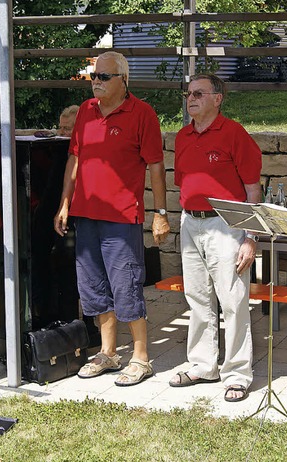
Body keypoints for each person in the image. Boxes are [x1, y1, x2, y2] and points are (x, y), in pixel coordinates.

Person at [54, 51, 169, 386]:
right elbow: (74, 159)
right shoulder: (86, 112)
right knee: (93, 285)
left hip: (121, 216)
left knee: (126, 284)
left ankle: (141, 356)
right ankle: (108, 352)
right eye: (94, 76)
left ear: (124, 80)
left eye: (104, 77)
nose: (96, 83)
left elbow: (156, 167)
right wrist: (64, 203)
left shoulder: (142, 114)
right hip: (85, 213)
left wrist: (161, 213)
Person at [168, 74, 261, 402]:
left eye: (198, 93)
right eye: (188, 93)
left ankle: (237, 373)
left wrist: (251, 237)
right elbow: (184, 183)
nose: (190, 98)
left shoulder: (234, 134)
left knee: (233, 301)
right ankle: (203, 364)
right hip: (191, 222)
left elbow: (252, 187)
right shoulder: (182, 137)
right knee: (197, 299)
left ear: (217, 98)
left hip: (226, 225)